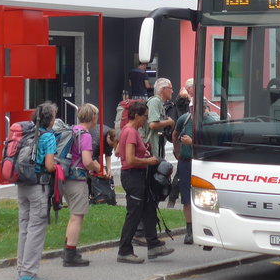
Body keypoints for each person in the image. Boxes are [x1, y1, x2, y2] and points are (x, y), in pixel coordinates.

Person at [115, 99, 174, 264]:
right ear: (136, 115)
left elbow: (119, 152)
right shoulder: (132, 132)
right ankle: (124, 250)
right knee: (134, 214)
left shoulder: (126, 130)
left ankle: (154, 244)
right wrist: (148, 161)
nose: (146, 120)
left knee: (149, 208)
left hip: (135, 175)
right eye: (145, 116)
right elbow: (130, 159)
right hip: (133, 175)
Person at [16, 102, 57, 280]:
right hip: (38, 186)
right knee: (36, 229)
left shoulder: (27, 133)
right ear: (51, 119)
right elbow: (49, 165)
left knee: (24, 227)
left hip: (22, 184)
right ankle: (29, 272)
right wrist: (57, 166)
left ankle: (21, 267)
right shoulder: (48, 137)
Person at [61, 103, 102, 267]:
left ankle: (67, 248)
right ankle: (70, 254)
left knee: (73, 215)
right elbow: (86, 161)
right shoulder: (85, 135)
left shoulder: (72, 131)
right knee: (77, 216)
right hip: (77, 180)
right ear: (93, 118)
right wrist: (96, 166)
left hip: (65, 177)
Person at [171, 84, 195, 241]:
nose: (194, 111)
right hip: (185, 163)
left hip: (201, 163)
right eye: (192, 108)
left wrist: (192, 143)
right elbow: (175, 135)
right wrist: (177, 152)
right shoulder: (184, 119)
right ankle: (190, 230)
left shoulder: (209, 121)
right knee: (186, 197)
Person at [147, 77, 176, 160]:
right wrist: (169, 122)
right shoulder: (154, 102)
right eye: (170, 88)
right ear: (163, 89)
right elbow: (152, 124)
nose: (172, 91)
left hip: (158, 147)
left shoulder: (161, 103)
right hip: (153, 149)